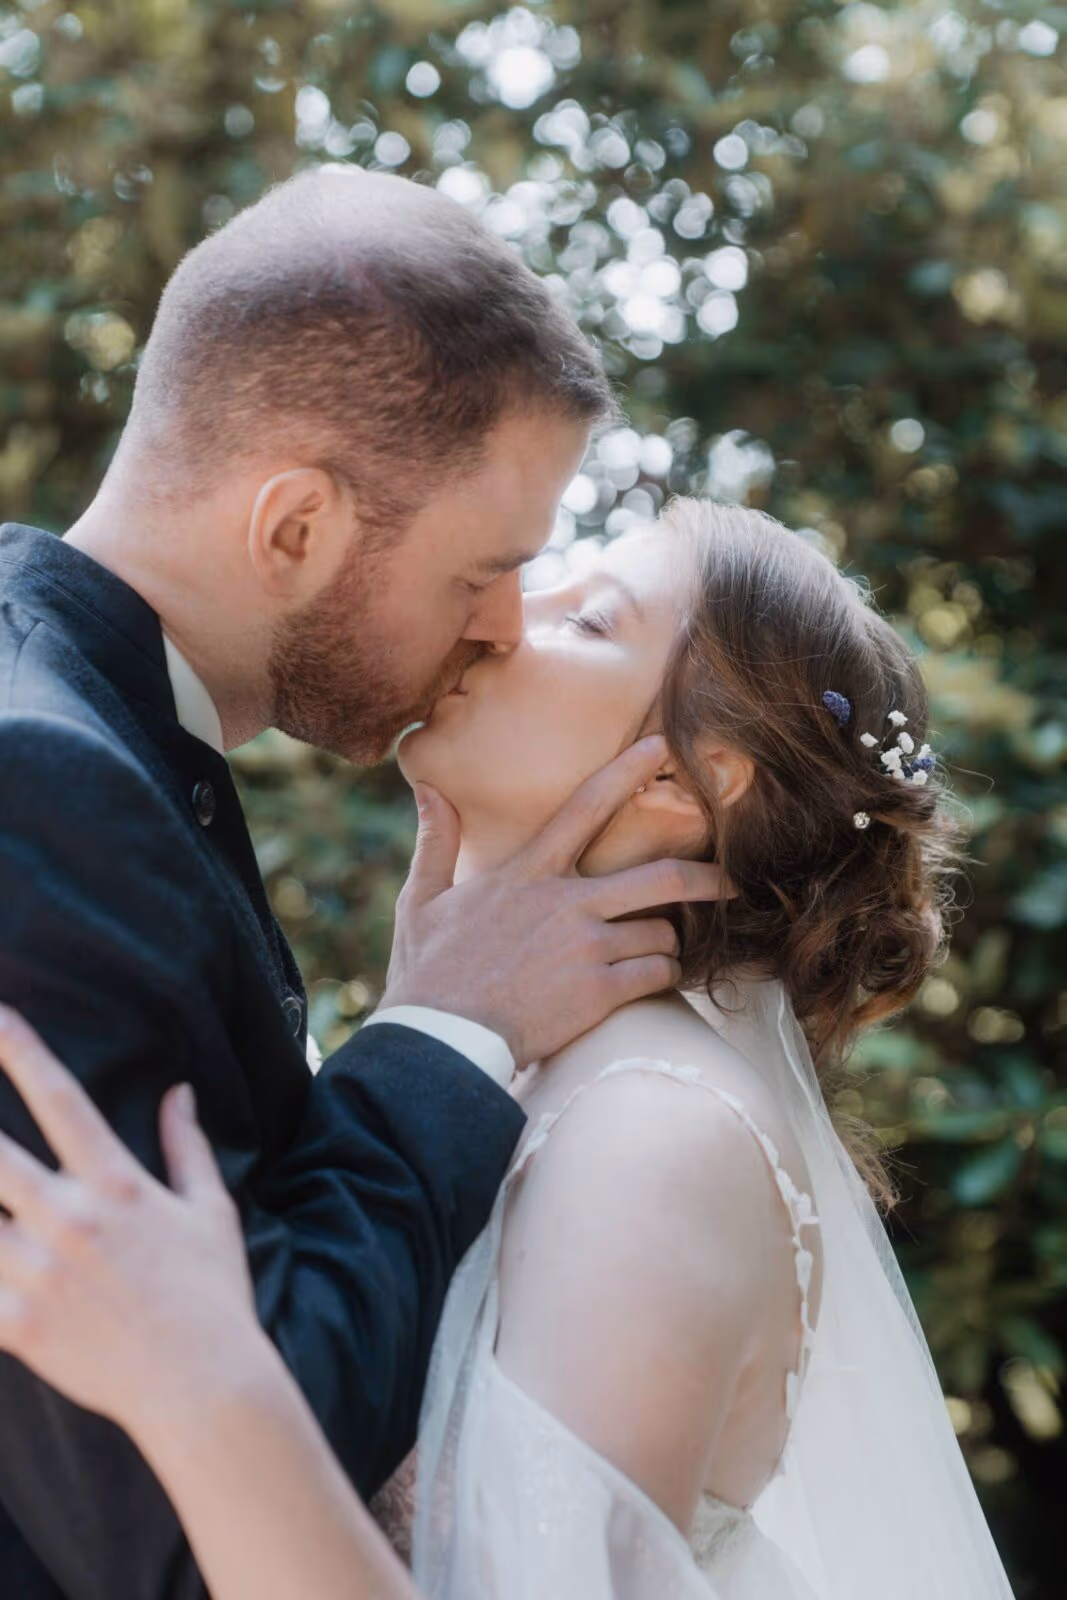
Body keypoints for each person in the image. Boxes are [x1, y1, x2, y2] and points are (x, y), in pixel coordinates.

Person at [0, 503, 1018, 1599]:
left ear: (682, 781)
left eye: (589, 619)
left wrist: (203, 1394)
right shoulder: (520, 1065)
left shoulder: (657, 1134)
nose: (505, 616)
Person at [0, 168, 728, 1600]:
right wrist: (444, 1034)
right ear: (294, 530)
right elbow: (176, 1513)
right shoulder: (42, 786)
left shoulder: (96, 735)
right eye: (481, 570)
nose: (503, 625)